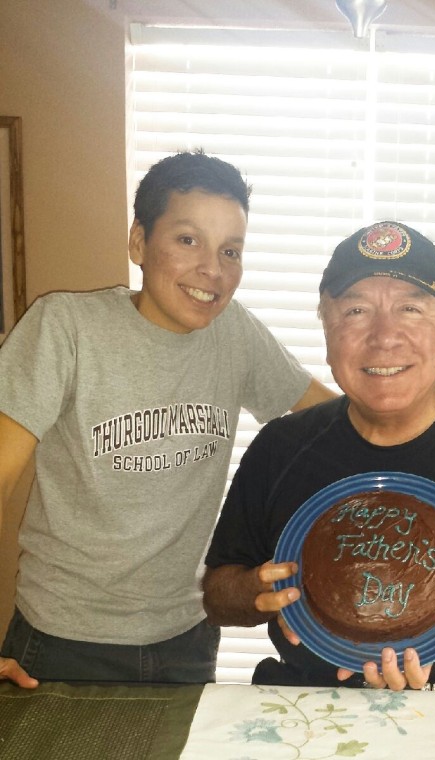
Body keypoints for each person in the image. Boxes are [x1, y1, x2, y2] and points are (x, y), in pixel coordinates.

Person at [0, 151, 333, 688]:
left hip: (187, 640)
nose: (212, 269)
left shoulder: (235, 335)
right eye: (187, 240)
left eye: (231, 250)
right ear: (138, 243)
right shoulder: (67, 328)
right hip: (62, 642)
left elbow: (336, 421)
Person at [202, 220, 435, 692]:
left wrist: (426, 627)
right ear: (327, 327)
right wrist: (256, 591)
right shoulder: (281, 448)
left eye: (411, 309)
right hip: (306, 705)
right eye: (356, 310)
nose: (385, 336)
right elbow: (218, 595)